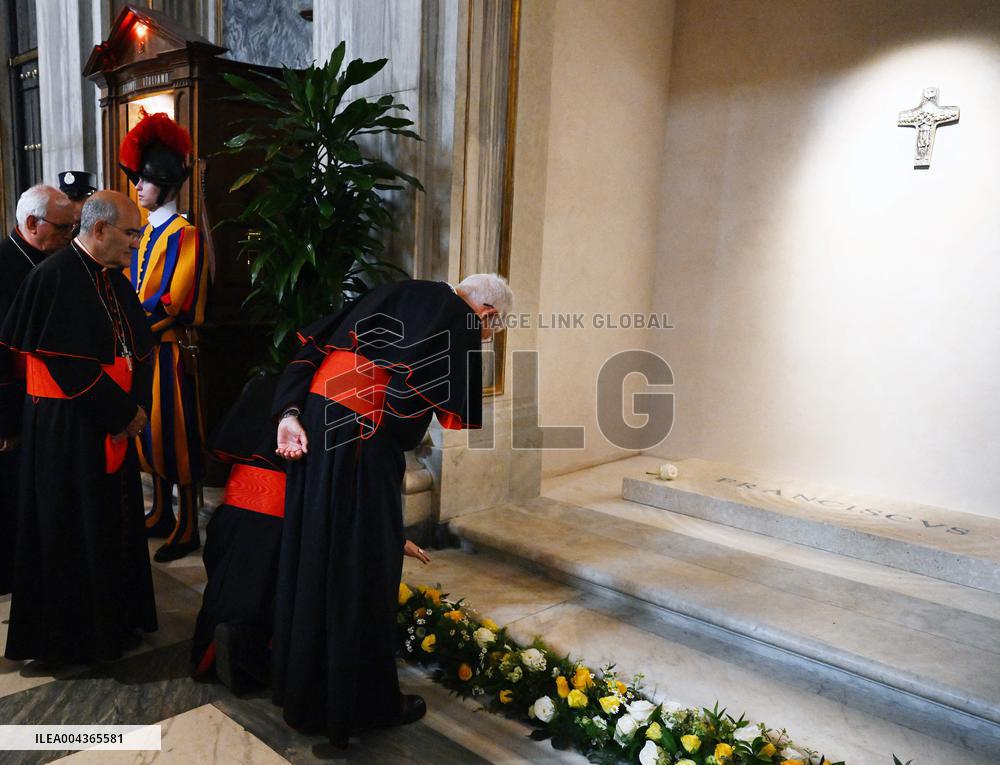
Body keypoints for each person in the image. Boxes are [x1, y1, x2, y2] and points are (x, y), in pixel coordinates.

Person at [270, 273, 512, 747]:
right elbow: (408, 400)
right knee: (361, 570)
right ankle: (357, 707)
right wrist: (391, 443)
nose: (485, 337)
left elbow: (315, 348)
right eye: (492, 330)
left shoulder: (396, 291)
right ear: (488, 313)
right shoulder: (458, 314)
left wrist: (289, 412)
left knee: (315, 554)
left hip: (319, 429)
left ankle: (302, 690)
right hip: (360, 445)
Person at [192, 375, 432, 696]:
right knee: (278, 597)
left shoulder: (268, 385)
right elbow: (346, 489)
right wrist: (391, 536)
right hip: (281, 512)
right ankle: (244, 655)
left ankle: (212, 647)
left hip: (234, 505)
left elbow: (223, 447)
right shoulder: (339, 402)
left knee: (228, 587)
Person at [0, 191, 157, 663]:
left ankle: (114, 621)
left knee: (111, 525)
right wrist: (123, 414)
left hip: (108, 420)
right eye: (132, 233)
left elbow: (136, 350)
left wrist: (137, 407)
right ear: (101, 229)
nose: (137, 242)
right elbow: (66, 366)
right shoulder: (54, 277)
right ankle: (74, 639)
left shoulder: (111, 277)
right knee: (72, 531)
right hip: (68, 430)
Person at [119, 110, 209, 562]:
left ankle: (189, 525)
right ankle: (160, 512)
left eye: (145, 180)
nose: (137, 187)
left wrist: (132, 328)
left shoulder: (184, 233)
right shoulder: (146, 233)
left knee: (177, 438)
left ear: (167, 183)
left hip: (169, 351)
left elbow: (174, 300)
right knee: (148, 435)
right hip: (144, 350)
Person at [0, 184, 74, 595]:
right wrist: (6, 421)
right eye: (62, 228)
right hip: (14, 402)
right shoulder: (5, 264)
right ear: (31, 224)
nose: (67, 237)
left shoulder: (52, 260)